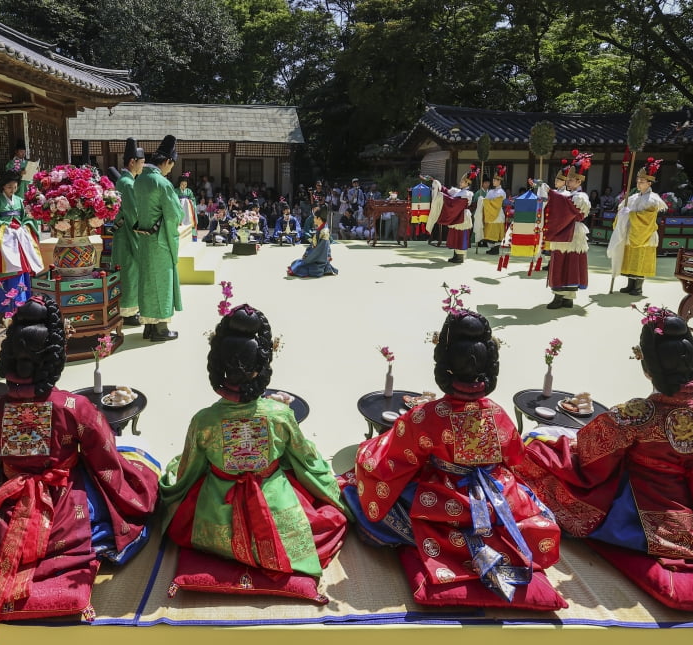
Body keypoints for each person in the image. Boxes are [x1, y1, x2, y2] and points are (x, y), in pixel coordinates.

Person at [517, 307, 693, 615]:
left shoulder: (636, 414)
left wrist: (552, 443)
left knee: (534, 451)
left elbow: (590, 459)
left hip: (644, 506)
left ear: (648, 366)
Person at [0, 296, 159, 642]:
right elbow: (105, 462)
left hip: (7, 497)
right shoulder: (76, 407)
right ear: (54, 359)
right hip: (64, 504)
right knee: (128, 488)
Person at [341, 307, 564, 609]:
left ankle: (448, 551)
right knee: (524, 500)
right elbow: (514, 456)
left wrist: (368, 450)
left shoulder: (426, 416)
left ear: (444, 366)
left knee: (364, 484)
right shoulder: (497, 413)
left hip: (444, 499)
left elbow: (394, 457)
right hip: (493, 498)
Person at [160, 301, 349, 600]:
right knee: (325, 509)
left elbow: (188, 471)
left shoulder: (204, 420)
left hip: (217, 509)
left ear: (217, 365)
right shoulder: (279, 415)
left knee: (177, 481)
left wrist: (172, 480)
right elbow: (308, 460)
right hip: (274, 504)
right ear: (261, 367)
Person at [133, 135, 185, 341]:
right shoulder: (161, 183)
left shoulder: (140, 181)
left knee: (147, 281)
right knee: (162, 281)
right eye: (171, 166)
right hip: (160, 240)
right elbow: (174, 214)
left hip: (144, 239)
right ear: (166, 161)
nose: (171, 170)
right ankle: (161, 328)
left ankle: (148, 326)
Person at [0, 171, 44, 313]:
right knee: (5, 270)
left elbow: (28, 219)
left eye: (15, 187)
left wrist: (24, 226)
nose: (12, 190)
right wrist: (5, 227)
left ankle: (21, 302)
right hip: (3, 241)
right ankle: (3, 306)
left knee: (19, 270)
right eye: (9, 187)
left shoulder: (20, 201)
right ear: (2, 187)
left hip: (18, 239)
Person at [538, 153, 592, 309]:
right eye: (567, 180)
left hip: (573, 232)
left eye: (570, 180)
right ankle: (562, 296)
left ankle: (565, 297)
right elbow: (560, 205)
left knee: (569, 263)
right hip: (563, 230)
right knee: (561, 262)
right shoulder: (568, 195)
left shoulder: (581, 196)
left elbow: (570, 209)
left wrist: (550, 193)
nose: (567, 182)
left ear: (579, 181)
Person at [608, 158, 668, 297]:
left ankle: (638, 287)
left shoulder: (653, 199)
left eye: (642, 182)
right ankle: (630, 284)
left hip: (644, 234)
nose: (639, 184)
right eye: (638, 181)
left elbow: (647, 217)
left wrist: (632, 214)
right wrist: (622, 213)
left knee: (640, 259)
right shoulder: (633, 197)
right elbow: (622, 209)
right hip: (631, 232)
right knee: (630, 258)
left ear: (649, 183)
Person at [111, 138, 144, 325]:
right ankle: (129, 312)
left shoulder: (123, 181)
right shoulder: (129, 183)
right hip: (128, 235)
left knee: (124, 272)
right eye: (141, 162)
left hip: (121, 233)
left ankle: (124, 309)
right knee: (130, 272)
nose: (143, 165)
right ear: (132, 162)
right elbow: (133, 214)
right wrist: (140, 239)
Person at [427, 170, 475, 263]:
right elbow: (449, 194)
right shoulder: (460, 192)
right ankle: (456, 255)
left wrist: (442, 196)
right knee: (456, 235)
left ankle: (459, 256)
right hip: (458, 216)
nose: (460, 183)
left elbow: (453, 202)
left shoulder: (466, 194)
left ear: (467, 183)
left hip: (462, 217)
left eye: (462, 181)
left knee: (460, 236)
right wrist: (438, 185)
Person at [288, 211, 338, 277]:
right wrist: (306, 253)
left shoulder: (324, 232)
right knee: (296, 263)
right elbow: (313, 244)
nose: (313, 219)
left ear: (319, 219)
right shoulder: (320, 228)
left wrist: (308, 257)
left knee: (300, 266)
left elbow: (320, 249)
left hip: (319, 258)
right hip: (315, 254)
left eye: (314, 218)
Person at [475, 167, 507, 255]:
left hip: (497, 214)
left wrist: (484, 200)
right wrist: (482, 200)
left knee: (496, 231)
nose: (493, 181)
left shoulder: (501, 192)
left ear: (499, 181)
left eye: (495, 180)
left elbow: (496, 203)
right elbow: (487, 202)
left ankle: (496, 248)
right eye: (493, 180)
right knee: (489, 230)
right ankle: (491, 248)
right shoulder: (491, 191)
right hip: (490, 213)